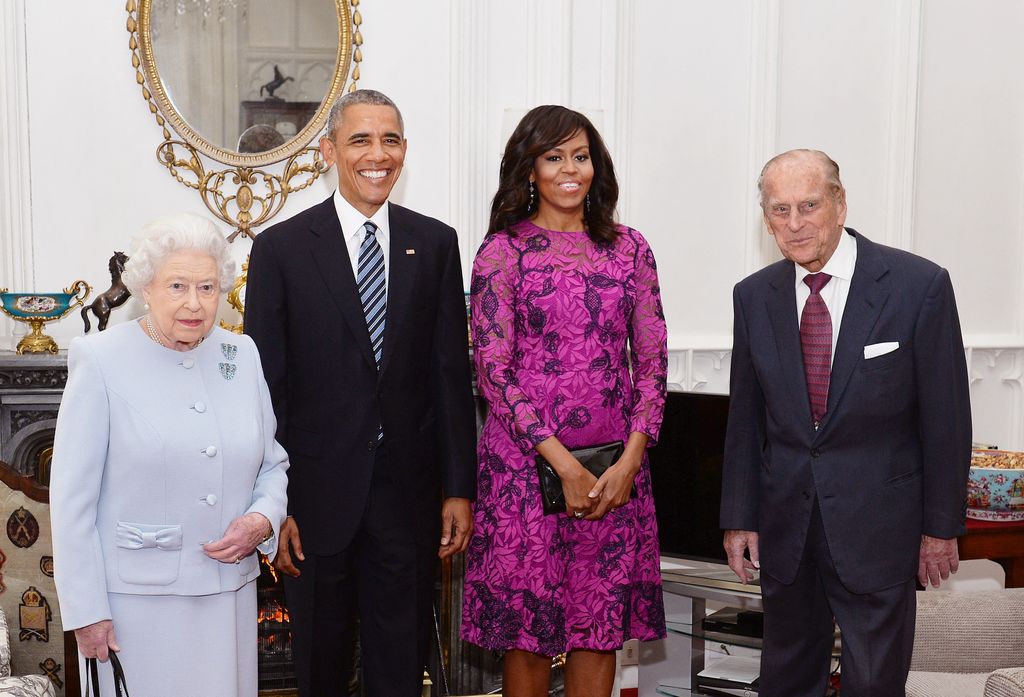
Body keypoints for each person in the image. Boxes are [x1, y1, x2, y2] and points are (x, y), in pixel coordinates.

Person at [244, 89, 477, 697]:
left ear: (405, 150)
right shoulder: (281, 249)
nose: (378, 155)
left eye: (390, 140)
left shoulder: (435, 244)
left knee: (400, 668)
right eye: (361, 140)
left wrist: (458, 487)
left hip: (408, 496)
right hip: (313, 498)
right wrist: (275, 501)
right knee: (320, 667)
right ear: (329, 151)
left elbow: (450, 374)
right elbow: (266, 390)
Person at [721, 149, 972, 697]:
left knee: (874, 685)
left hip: (881, 528)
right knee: (784, 681)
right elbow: (745, 419)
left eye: (808, 205)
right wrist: (739, 518)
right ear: (765, 218)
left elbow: (947, 418)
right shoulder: (753, 297)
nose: (794, 223)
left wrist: (941, 526)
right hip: (786, 529)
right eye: (779, 209)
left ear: (839, 204)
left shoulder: (917, 285)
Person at [461, 105, 669, 697]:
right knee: (527, 638)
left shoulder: (630, 249)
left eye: (580, 156)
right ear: (530, 169)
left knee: (597, 629)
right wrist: (563, 463)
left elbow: (652, 364)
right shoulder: (501, 253)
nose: (570, 170)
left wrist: (629, 462)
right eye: (554, 157)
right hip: (525, 472)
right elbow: (493, 371)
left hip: (616, 475)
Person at [50, 213, 289, 697]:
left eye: (207, 287)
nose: (194, 303)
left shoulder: (241, 355)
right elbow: (71, 502)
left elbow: (272, 464)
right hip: (134, 606)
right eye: (177, 285)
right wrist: (86, 612)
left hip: (229, 596)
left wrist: (263, 520)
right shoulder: (100, 358)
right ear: (146, 287)